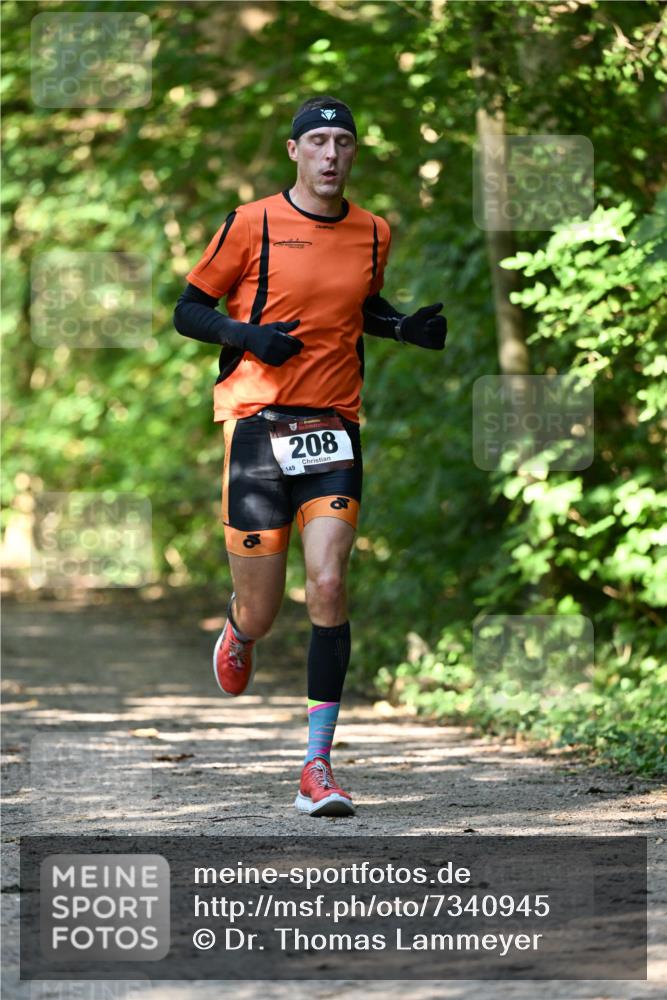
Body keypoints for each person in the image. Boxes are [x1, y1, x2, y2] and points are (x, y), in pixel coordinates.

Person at [173, 95, 446, 817]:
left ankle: (316, 766)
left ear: (354, 153)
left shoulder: (373, 231)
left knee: (327, 582)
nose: (331, 154)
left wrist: (402, 328)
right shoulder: (250, 222)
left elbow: (357, 307)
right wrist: (248, 336)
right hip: (256, 427)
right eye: (318, 141)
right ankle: (240, 629)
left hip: (333, 428)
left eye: (343, 142)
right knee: (263, 611)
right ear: (294, 151)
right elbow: (187, 309)